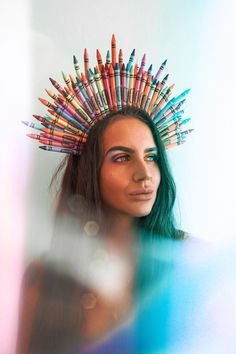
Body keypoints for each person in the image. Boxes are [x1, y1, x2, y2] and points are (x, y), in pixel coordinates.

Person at [17, 37, 193, 354]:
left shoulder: (188, 260)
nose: (144, 174)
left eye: (151, 157)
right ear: (90, 172)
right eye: (122, 158)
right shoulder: (43, 281)